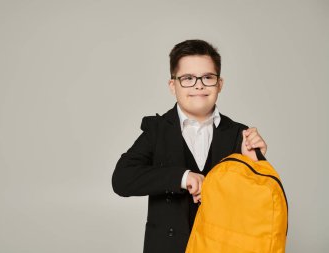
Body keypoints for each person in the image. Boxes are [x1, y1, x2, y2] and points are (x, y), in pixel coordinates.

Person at [112, 39, 267, 253]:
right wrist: (182, 178)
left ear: (219, 84)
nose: (199, 85)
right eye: (187, 78)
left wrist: (255, 165)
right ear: (172, 85)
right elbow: (122, 179)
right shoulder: (157, 130)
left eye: (207, 77)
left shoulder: (239, 134)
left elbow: (259, 208)